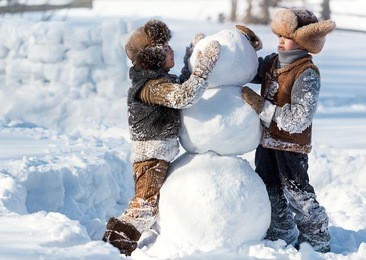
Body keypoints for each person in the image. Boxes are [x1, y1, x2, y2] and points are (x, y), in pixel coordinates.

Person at [102, 19, 220, 256]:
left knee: (147, 204)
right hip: (150, 158)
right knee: (144, 206)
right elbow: (184, 96)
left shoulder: (160, 80)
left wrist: (192, 54)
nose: (171, 50)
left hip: (158, 156)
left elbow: (184, 83)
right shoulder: (151, 87)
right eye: (165, 49)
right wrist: (204, 67)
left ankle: (114, 242)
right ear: (153, 56)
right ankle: (113, 246)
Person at [241, 8, 335, 253]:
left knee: (298, 195)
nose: (280, 41)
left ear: (304, 40)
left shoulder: (306, 73)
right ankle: (280, 234)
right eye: (278, 36)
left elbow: (298, 120)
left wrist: (262, 106)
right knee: (268, 190)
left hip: (291, 147)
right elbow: (249, 69)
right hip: (267, 143)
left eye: (286, 36)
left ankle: (317, 241)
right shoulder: (273, 62)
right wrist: (246, 45)